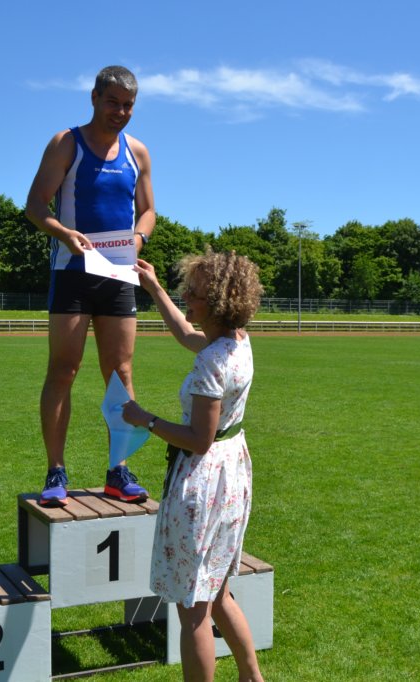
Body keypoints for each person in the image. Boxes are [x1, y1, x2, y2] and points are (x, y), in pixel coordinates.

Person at [122, 250, 265, 682]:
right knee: (217, 592)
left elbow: (199, 439)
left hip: (204, 482)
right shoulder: (237, 342)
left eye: (195, 293)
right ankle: (252, 677)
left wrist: (144, 419)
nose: (187, 296)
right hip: (231, 473)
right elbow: (187, 333)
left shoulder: (211, 362)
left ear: (219, 303)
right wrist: (154, 288)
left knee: (193, 610)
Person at [25, 65, 155, 505]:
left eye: (128, 105)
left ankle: (118, 469)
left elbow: (148, 211)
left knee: (120, 373)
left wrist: (139, 239)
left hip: (118, 274)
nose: (120, 111)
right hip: (72, 273)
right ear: (94, 98)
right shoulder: (67, 143)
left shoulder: (137, 152)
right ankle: (55, 471)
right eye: (112, 102)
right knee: (63, 370)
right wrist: (65, 235)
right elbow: (35, 205)